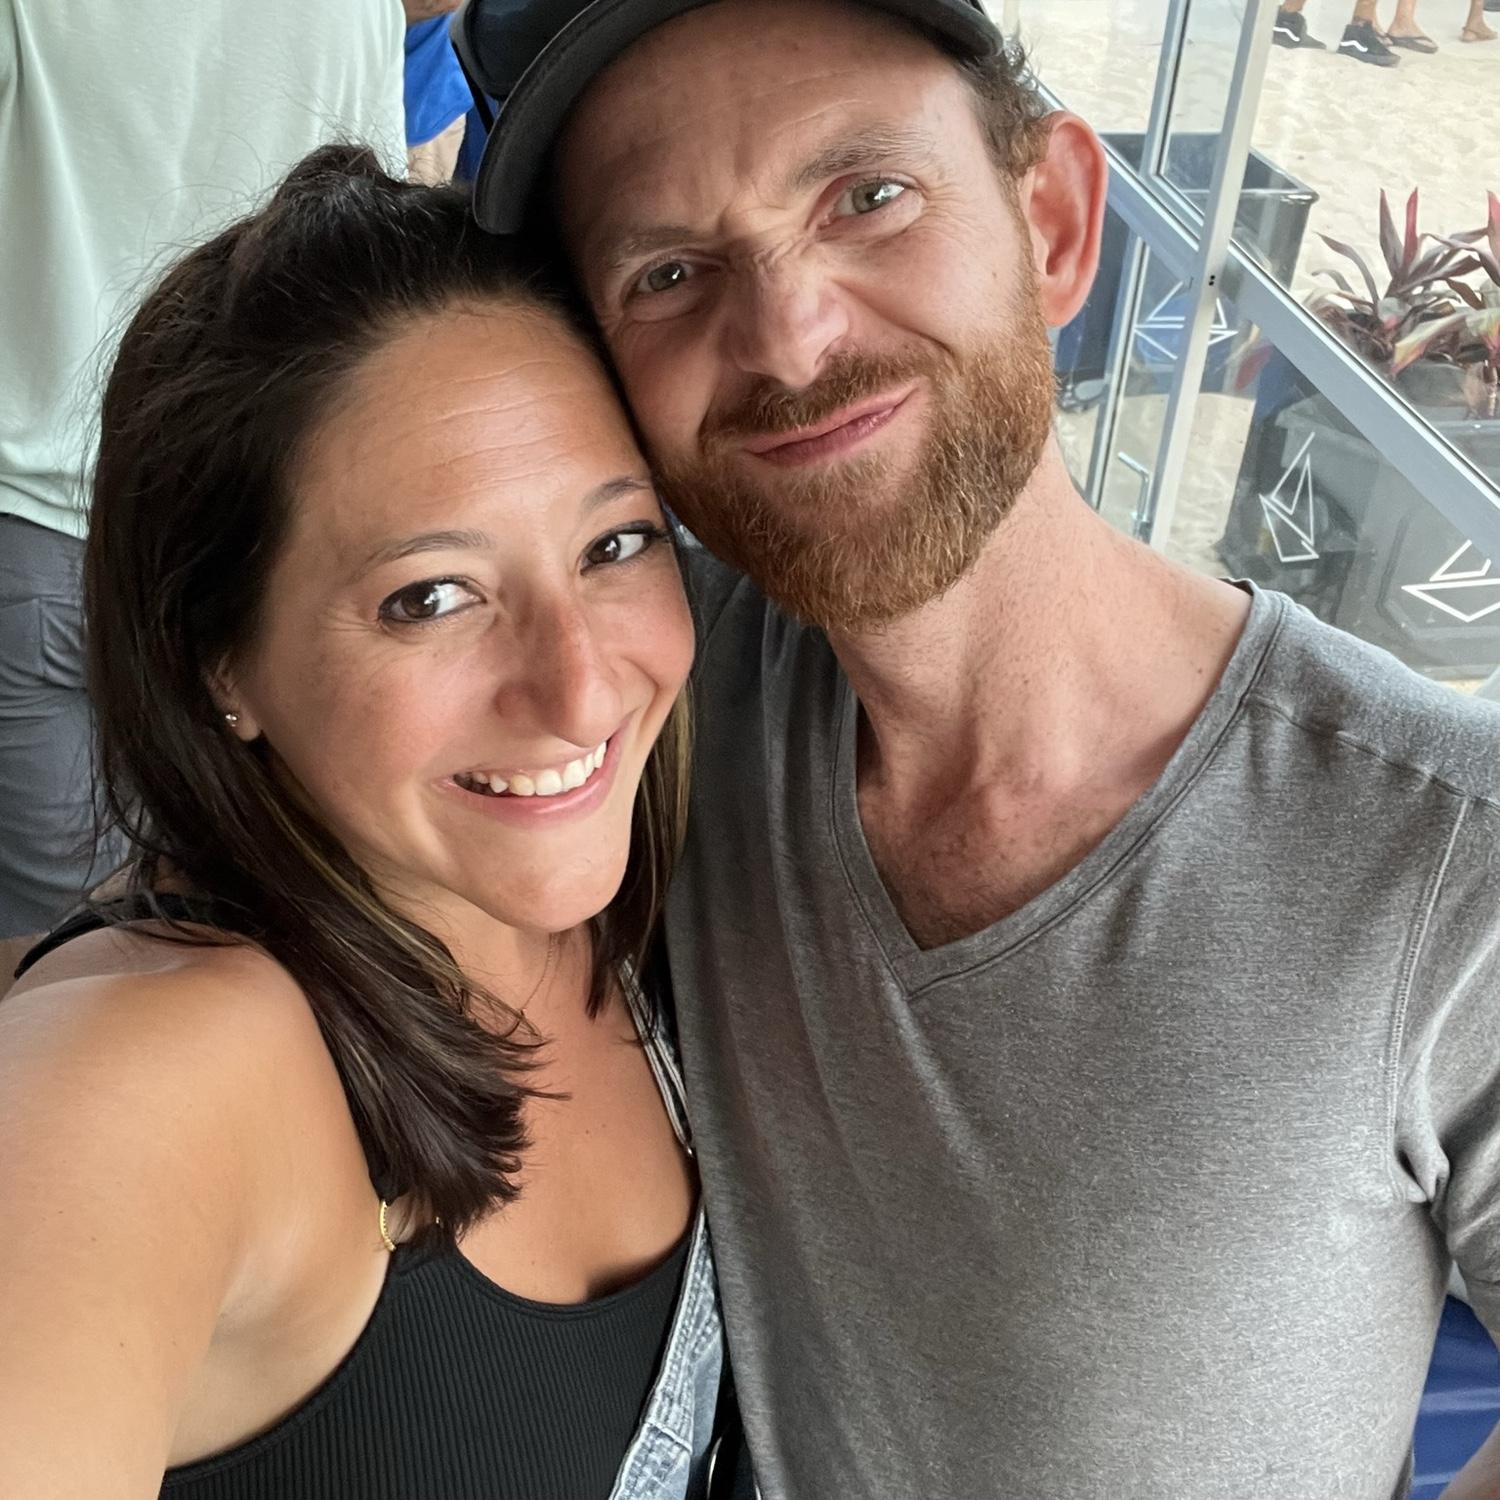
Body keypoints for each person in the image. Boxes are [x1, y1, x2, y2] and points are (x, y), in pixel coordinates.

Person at [455, 0, 1500, 1496]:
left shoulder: (1444, 849)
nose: (788, 335)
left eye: (867, 197)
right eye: (670, 273)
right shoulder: (637, 706)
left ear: (1056, 224)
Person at [0, 148, 741, 1499]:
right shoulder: (153, 1075)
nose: (581, 690)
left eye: (614, 544)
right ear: (220, 662)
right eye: (431, 598)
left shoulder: (647, 919)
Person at [0, 0, 404, 940]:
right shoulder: (359, 8)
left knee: (60, 953)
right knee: (281, 921)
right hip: (267, 527)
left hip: (43, 522)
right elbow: (366, 254)